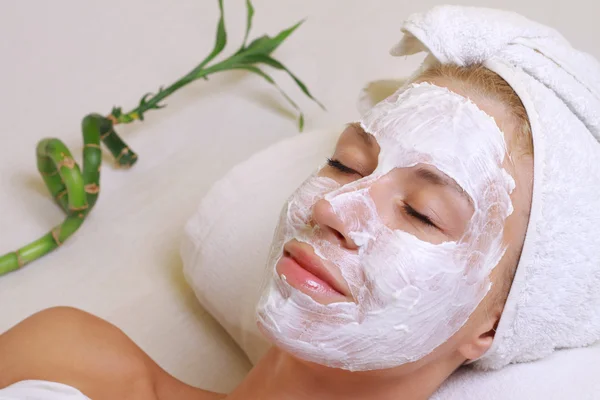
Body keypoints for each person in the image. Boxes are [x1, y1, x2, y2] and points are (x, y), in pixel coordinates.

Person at [1, 5, 599, 400]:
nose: (335, 208)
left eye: (420, 212)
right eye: (345, 163)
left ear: (493, 325)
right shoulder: (61, 356)